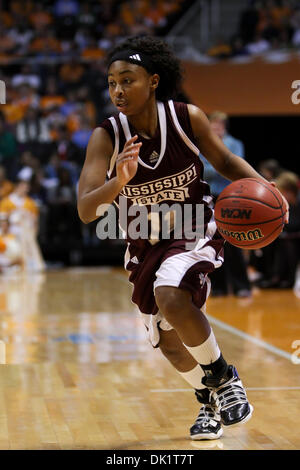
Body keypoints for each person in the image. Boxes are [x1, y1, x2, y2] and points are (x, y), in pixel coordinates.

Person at [77, 36, 289, 441]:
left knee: (171, 294)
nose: (118, 91)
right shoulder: (106, 136)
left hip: (194, 226)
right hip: (142, 242)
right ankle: (207, 401)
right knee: (170, 344)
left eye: (127, 80)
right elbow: (87, 210)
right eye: (111, 83)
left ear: (154, 80)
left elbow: (224, 160)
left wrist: (268, 188)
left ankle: (225, 379)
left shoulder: (186, 117)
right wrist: (116, 184)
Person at [202, 111, 252, 297]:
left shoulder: (235, 144)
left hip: (231, 196)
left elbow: (237, 167)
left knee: (234, 240)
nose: (217, 128)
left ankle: (242, 286)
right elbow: (201, 170)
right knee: (214, 240)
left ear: (224, 126)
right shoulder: (202, 145)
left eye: (219, 125)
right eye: (213, 125)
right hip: (209, 196)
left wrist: (218, 165)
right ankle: (220, 287)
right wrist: (222, 165)